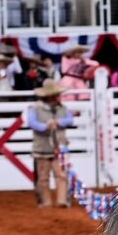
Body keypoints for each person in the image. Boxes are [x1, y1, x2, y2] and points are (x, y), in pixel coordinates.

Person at [26, 78, 74, 207]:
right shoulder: (35, 108)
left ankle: (62, 201)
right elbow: (31, 123)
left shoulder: (63, 108)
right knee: (43, 177)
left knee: (61, 175)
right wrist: (45, 126)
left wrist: (58, 122)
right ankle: (45, 202)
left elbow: (70, 120)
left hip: (59, 147)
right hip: (42, 147)